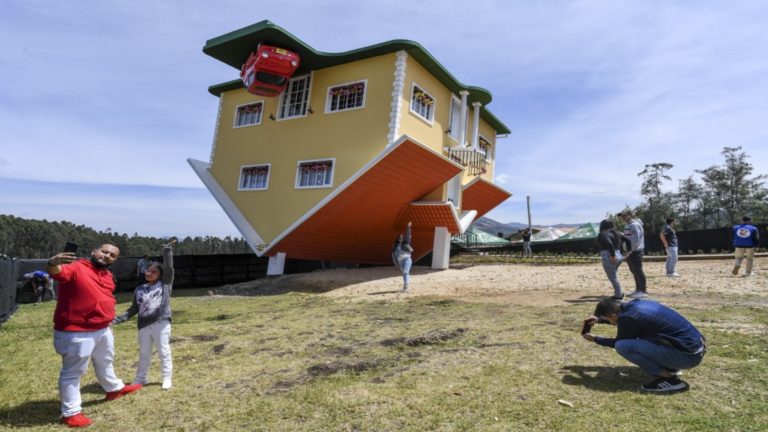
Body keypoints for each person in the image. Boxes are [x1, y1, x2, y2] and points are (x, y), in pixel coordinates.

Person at [47, 244, 142, 428]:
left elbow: (105, 298)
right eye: (104, 251)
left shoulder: (108, 276)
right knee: (73, 373)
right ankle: (71, 412)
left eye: (112, 255)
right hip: (76, 331)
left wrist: (107, 324)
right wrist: (52, 263)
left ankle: (114, 389)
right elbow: (58, 273)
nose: (107, 256)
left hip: (103, 328)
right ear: (93, 252)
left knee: (105, 360)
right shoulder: (77, 266)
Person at [581, 298, 706, 393]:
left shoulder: (629, 318)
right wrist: (600, 319)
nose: (610, 322)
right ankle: (669, 367)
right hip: (696, 348)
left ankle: (669, 379)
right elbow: (623, 320)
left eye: (608, 320)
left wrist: (596, 339)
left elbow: (618, 342)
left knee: (622, 346)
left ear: (613, 315)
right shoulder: (636, 303)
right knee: (642, 337)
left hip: (688, 357)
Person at [113, 241, 176, 390]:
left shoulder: (165, 284)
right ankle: (141, 379)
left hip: (161, 323)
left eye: (153, 272)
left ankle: (166, 378)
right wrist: (117, 319)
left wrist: (166, 250)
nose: (149, 273)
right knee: (144, 353)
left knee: (163, 351)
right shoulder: (139, 289)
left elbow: (169, 268)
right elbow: (134, 309)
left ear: (161, 275)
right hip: (143, 326)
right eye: (148, 270)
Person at [596, 219, 631, 299]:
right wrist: (628, 251)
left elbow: (609, 243)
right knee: (614, 276)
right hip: (619, 255)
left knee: (613, 277)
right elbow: (628, 240)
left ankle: (618, 295)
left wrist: (612, 256)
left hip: (608, 256)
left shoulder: (603, 234)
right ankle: (618, 293)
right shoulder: (617, 233)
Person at [619, 210, 647, 298]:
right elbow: (630, 237)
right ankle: (638, 290)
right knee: (634, 271)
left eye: (624, 216)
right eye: (622, 216)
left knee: (638, 270)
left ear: (630, 215)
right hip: (632, 251)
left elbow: (636, 239)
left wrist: (629, 251)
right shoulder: (629, 225)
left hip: (635, 251)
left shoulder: (634, 225)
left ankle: (643, 291)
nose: (623, 218)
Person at [392, 221, 413, 293]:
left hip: (407, 259)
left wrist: (408, 228)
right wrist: (397, 265)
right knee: (404, 273)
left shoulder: (406, 243)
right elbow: (394, 256)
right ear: (397, 239)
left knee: (405, 272)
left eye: (402, 238)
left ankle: (406, 287)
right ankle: (405, 286)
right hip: (400, 262)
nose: (401, 239)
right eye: (399, 238)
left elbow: (408, 235)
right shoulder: (395, 246)